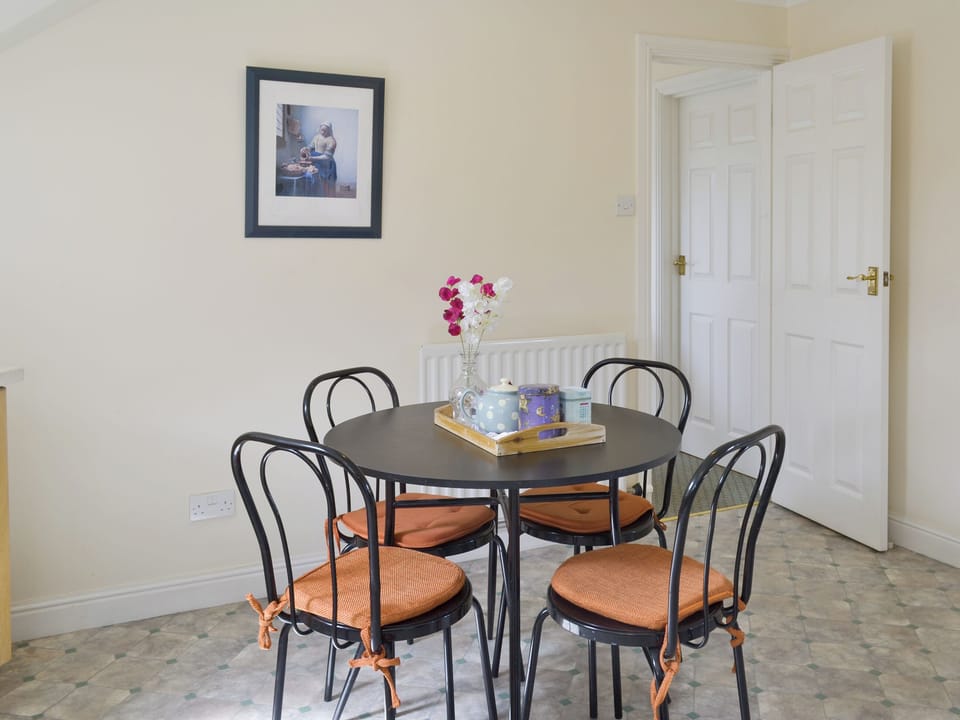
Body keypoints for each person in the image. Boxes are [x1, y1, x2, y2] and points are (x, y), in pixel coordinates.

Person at [309, 122, 338, 195]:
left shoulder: (332, 140)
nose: (322, 132)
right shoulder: (316, 137)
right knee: (316, 184)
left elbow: (327, 156)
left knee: (326, 186)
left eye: (325, 130)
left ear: (329, 130)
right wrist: (306, 149)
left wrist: (312, 158)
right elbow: (310, 146)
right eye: (321, 130)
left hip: (327, 165)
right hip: (316, 163)